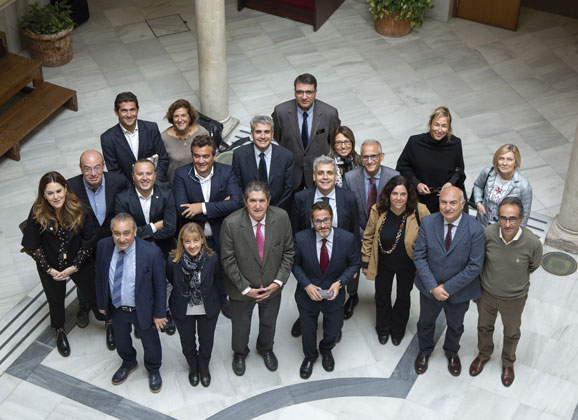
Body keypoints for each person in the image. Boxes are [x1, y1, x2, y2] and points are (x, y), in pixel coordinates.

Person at [22, 171, 101, 357]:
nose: (56, 196)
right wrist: (49, 270)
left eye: (59, 191)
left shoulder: (79, 208)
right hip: (50, 266)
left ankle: (109, 321)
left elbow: (89, 240)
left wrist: (75, 266)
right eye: (50, 193)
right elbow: (32, 246)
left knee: (94, 293)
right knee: (55, 300)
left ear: (66, 188)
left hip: (79, 261)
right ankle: (59, 330)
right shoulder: (37, 213)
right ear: (43, 195)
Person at [220, 181, 294, 376]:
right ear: (245, 202)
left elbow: (288, 252)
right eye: (253, 201)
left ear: (269, 201)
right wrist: (245, 288)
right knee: (240, 326)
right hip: (241, 289)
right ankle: (240, 353)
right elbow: (228, 260)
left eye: (262, 200)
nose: (258, 205)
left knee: (269, 322)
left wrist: (277, 283)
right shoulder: (231, 223)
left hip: (272, 287)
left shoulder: (281, 217)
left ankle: (265, 348)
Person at [469, 197, 542, 387]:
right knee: (484, 327)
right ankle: (484, 355)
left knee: (511, 332)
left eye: (512, 219)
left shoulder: (533, 243)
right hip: (487, 294)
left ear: (521, 219)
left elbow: (533, 266)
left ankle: (508, 363)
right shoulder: (488, 234)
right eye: (503, 218)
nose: (507, 224)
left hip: (514, 298)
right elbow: (479, 261)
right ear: (497, 218)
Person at [413, 187, 485, 377]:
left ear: (463, 204)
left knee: (456, 325)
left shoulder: (476, 229)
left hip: (460, 291)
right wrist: (433, 287)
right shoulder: (428, 222)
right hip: (430, 288)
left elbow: (475, 266)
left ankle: (452, 352)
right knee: (426, 322)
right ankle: (425, 350)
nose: (447, 207)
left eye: (453, 203)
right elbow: (419, 256)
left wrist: (447, 287)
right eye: (443, 202)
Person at [173, 135, 244, 318]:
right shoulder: (182, 174)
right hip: (194, 237)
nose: (201, 161)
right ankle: (201, 299)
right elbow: (182, 210)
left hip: (221, 233)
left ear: (214, 156)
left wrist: (201, 207)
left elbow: (236, 203)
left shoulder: (226, 172)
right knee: (197, 270)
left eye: (205, 156)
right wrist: (221, 204)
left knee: (221, 269)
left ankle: (222, 299)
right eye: (197, 156)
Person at [95, 213, 167, 393]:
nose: (121, 238)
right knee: (121, 339)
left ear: (135, 231)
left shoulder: (151, 252)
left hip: (142, 308)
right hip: (116, 307)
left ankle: (153, 369)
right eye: (117, 233)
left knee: (150, 342)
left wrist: (159, 314)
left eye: (126, 233)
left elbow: (160, 286)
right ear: (112, 233)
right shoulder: (103, 246)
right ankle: (128, 361)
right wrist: (101, 303)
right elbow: (99, 276)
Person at [290, 155, 359, 336]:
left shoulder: (349, 198)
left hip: (338, 257)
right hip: (310, 257)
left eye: (330, 173)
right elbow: (296, 231)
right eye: (320, 173)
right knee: (307, 294)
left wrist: (355, 262)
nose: (325, 177)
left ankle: (333, 324)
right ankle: (305, 316)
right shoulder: (301, 198)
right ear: (313, 176)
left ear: (337, 176)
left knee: (334, 293)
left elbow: (354, 231)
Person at [292, 202, 360, 379]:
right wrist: (307, 285)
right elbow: (295, 264)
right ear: (311, 221)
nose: (322, 225)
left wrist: (340, 283)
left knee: (334, 328)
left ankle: (326, 349)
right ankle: (310, 356)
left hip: (334, 294)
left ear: (332, 218)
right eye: (318, 221)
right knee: (307, 329)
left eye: (326, 220)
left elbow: (354, 264)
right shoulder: (300, 238)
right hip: (308, 294)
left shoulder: (347, 238)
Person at [67, 150, 128, 346]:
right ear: (81, 169)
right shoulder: (70, 187)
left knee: (110, 279)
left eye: (96, 167)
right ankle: (84, 306)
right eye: (87, 168)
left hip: (111, 241)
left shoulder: (117, 181)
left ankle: (110, 318)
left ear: (103, 166)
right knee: (85, 278)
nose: (93, 173)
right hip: (85, 243)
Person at [361, 176, 430, 346]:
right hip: (383, 263)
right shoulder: (378, 210)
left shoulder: (420, 210)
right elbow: (368, 236)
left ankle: (398, 330)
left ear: (409, 196)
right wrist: (365, 261)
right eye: (394, 193)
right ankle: (383, 328)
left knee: (403, 297)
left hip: (408, 265)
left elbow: (430, 238)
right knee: (382, 296)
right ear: (388, 194)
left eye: (403, 194)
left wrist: (425, 264)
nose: (398, 198)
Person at [115, 159, 177, 334]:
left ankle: (164, 311)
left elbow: (171, 228)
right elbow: (125, 232)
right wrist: (155, 226)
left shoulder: (166, 193)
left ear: (155, 175)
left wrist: (140, 233)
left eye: (148, 173)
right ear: (133, 176)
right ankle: (142, 315)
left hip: (162, 247)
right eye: (140, 174)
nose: (144, 178)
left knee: (165, 280)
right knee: (140, 281)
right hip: (134, 249)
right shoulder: (123, 198)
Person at [343, 139, 399, 318]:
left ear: (381, 156)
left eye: (373, 156)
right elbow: (347, 211)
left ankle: (381, 295)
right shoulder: (350, 178)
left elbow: (398, 211)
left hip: (384, 234)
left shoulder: (394, 177)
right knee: (353, 266)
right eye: (365, 156)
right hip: (358, 231)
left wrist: (380, 235)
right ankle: (352, 296)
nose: (369, 160)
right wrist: (362, 235)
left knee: (384, 269)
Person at [167, 223, 220, 388]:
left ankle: (203, 367)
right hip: (183, 308)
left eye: (196, 240)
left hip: (207, 307)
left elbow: (216, 279)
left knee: (206, 341)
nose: (192, 245)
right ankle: (192, 366)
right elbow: (171, 279)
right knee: (187, 341)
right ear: (182, 242)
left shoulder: (212, 258)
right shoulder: (172, 261)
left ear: (202, 240)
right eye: (187, 241)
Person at [272, 73, 341, 191]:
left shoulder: (329, 113)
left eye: (309, 92)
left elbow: (334, 140)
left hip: (318, 174)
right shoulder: (280, 112)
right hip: (291, 173)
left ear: (315, 92)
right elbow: (278, 136)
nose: (304, 97)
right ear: (294, 92)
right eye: (300, 92)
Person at [396, 106, 466, 214]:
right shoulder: (415, 142)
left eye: (444, 126)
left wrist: (450, 184)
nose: (439, 130)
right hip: (420, 201)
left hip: (447, 202)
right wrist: (417, 183)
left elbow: (459, 169)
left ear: (449, 128)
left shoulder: (455, 143)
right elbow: (402, 167)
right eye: (436, 125)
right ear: (430, 124)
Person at [101, 91, 169, 183]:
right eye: (124, 111)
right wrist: (133, 191)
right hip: (129, 191)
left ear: (137, 109)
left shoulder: (151, 128)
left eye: (132, 110)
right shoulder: (108, 138)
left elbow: (163, 159)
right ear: (116, 112)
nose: (129, 115)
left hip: (156, 185)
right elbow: (115, 172)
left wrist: (152, 182)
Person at [232, 115, 294, 209]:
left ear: (272, 134)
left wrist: (275, 211)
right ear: (252, 134)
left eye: (267, 132)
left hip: (277, 209)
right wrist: (250, 207)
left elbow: (288, 189)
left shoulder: (286, 156)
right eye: (258, 132)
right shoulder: (239, 155)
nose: (263, 136)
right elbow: (237, 186)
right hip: (249, 209)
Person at [473, 144, 532, 227]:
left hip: (504, 230)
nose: (504, 163)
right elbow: (478, 185)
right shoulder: (487, 173)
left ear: (516, 162)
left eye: (509, 159)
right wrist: (478, 202)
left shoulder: (524, 186)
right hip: (482, 224)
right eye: (501, 158)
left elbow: (524, 215)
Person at [161, 99, 209, 184]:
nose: (180, 120)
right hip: (176, 185)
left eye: (183, 115)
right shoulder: (164, 138)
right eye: (176, 116)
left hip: (200, 183)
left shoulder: (202, 133)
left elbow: (209, 158)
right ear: (172, 118)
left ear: (189, 117)